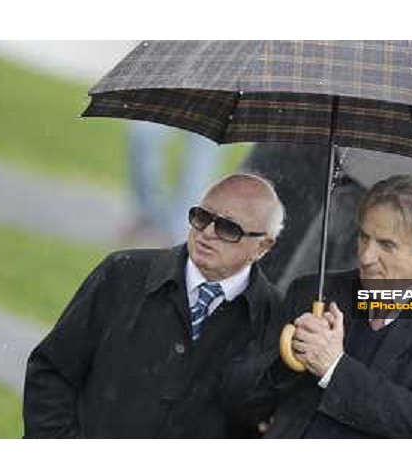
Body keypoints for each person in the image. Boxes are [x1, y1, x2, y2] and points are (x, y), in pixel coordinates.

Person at [226, 174, 412, 438]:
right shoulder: (314, 290)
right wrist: (287, 359)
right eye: (363, 237)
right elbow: (241, 393)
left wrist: (334, 367)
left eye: (386, 245)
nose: (366, 256)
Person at [23, 173, 285, 438]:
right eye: (202, 217)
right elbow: (51, 372)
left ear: (263, 246)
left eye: (228, 228)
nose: (207, 233)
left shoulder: (278, 321)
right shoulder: (121, 273)